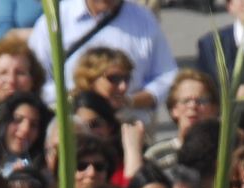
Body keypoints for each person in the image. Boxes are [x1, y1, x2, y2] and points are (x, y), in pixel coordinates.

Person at [26, 0, 177, 111]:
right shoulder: (55, 20)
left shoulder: (144, 20)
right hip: (70, 126)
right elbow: (35, 78)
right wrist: (78, 97)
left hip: (127, 124)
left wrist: (131, 101)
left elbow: (167, 75)